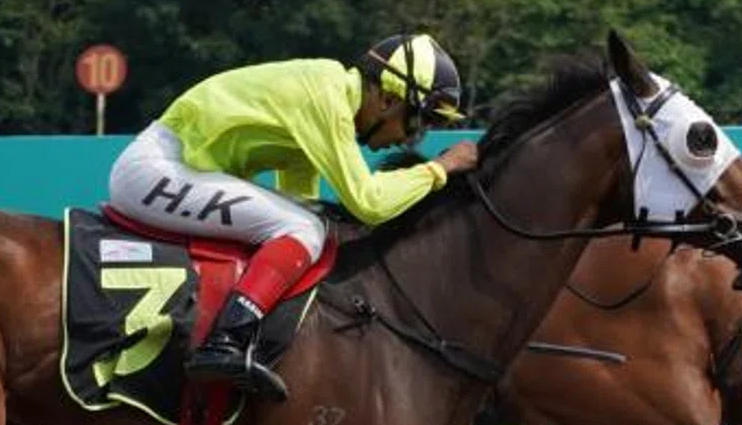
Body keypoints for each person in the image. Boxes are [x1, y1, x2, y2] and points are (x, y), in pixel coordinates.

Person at [108, 33, 476, 401]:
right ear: (388, 98)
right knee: (305, 228)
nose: (413, 139)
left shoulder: (328, 93)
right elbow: (369, 203)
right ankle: (226, 339)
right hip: (156, 171)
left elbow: (301, 193)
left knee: (307, 224)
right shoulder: (326, 98)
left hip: (171, 169)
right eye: (417, 121)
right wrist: (440, 168)